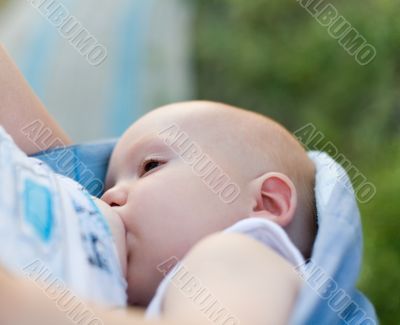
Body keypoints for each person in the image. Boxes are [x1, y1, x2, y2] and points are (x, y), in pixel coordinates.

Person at [0, 44, 306, 324]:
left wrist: (15, 302)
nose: (107, 195)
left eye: (150, 167)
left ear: (266, 203)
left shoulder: (240, 253)